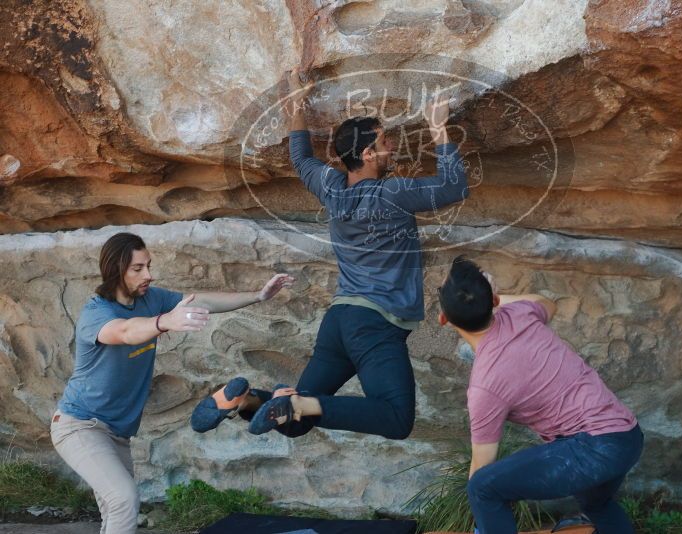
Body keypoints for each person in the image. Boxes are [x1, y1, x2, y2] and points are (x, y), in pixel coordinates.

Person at [240, 69, 470, 439]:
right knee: (396, 419)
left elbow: (300, 158)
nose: (392, 147)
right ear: (366, 154)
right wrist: (438, 128)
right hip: (374, 324)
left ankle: (244, 402)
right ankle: (295, 402)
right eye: (384, 142)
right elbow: (453, 186)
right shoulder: (392, 193)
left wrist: (296, 105)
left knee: (294, 424)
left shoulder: (331, 187)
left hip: (340, 320)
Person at [50, 232, 294, 534]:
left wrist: (258, 295)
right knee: (124, 499)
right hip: (79, 426)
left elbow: (201, 301)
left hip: (116, 432)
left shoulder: (150, 299)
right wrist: (163, 322)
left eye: (148, 265)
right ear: (115, 269)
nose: (148, 275)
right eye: (138, 268)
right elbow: (124, 332)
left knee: (118, 508)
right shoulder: (97, 313)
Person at [437, 256, 643, 534]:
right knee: (596, 504)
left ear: (443, 319)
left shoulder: (485, 385)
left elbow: (481, 467)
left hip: (593, 447)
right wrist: (491, 297)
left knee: (482, 489)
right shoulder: (521, 314)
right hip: (627, 436)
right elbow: (548, 303)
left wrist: (482, 522)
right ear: (495, 300)